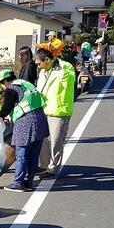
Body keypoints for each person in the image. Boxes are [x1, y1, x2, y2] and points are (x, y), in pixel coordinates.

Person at [0, 70, 49, 192]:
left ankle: (18, 183)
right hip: (41, 121)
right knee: (34, 155)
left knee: (22, 155)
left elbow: (6, 108)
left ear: (4, 81)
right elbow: (25, 104)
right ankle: (29, 183)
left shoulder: (11, 89)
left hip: (26, 124)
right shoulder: (27, 84)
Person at [34, 48, 76, 179]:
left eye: (39, 63)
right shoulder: (43, 72)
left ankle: (53, 169)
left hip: (59, 110)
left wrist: (55, 69)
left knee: (56, 141)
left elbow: (67, 82)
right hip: (45, 109)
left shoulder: (65, 67)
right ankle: (44, 165)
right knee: (42, 139)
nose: (38, 66)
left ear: (47, 60)